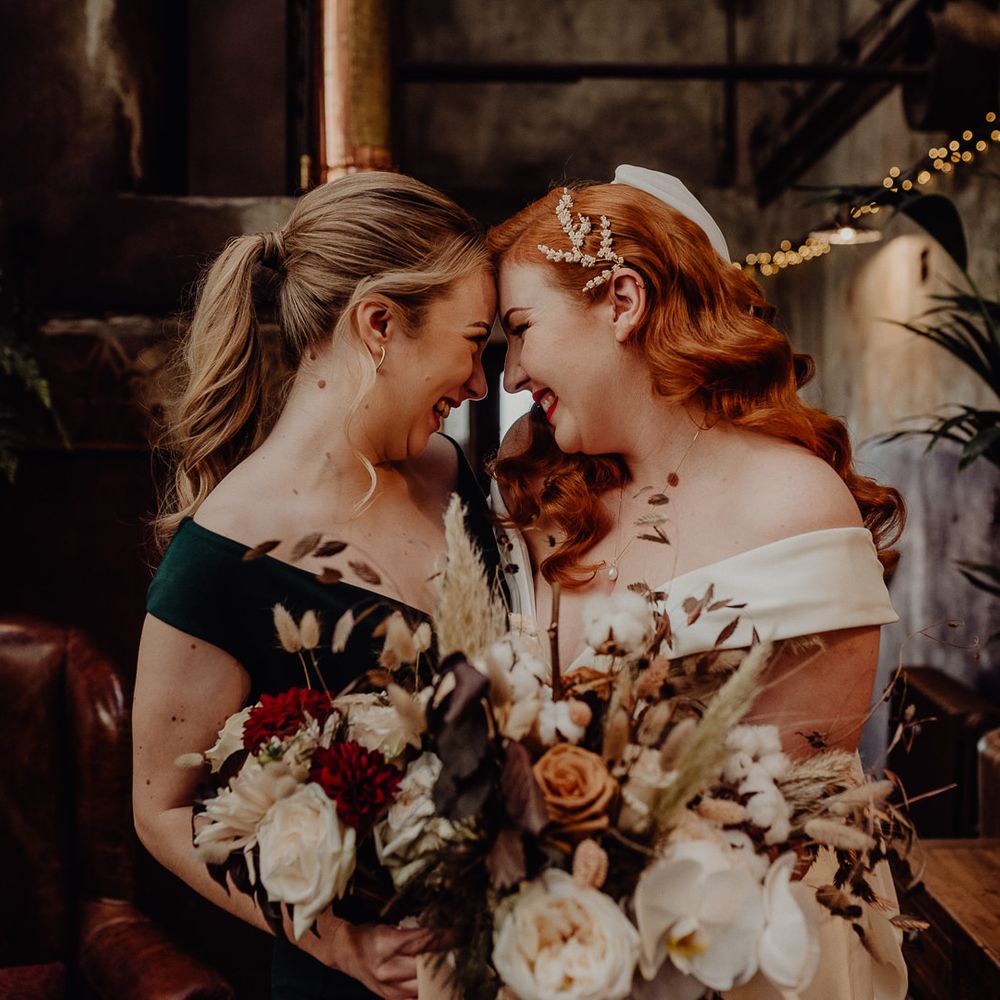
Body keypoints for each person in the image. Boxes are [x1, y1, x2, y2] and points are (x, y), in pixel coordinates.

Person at [489, 166, 908, 999]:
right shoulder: (541, 495)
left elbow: (802, 804)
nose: (507, 374)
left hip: (752, 948)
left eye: (521, 328)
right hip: (563, 945)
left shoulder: (794, 502)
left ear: (622, 301)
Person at [133, 171, 501, 1000]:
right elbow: (160, 811)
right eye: (473, 340)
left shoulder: (449, 473)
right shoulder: (218, 556)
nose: (481, 383)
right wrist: (336, 943)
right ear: (378, 324)